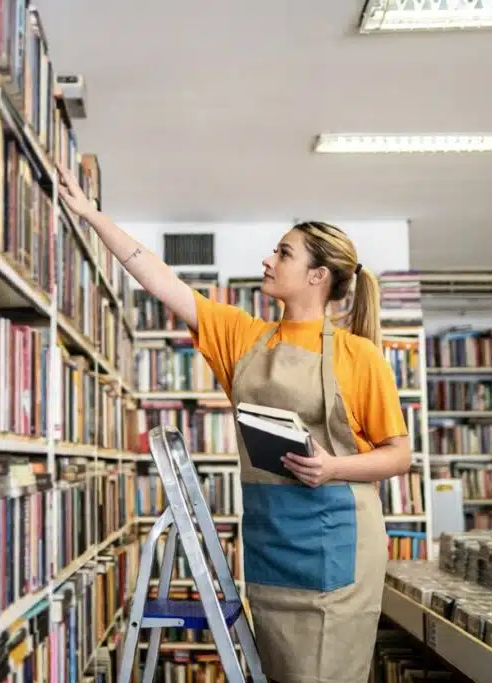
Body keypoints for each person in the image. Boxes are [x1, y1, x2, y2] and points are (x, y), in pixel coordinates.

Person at [57, 165, 411, 683]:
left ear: (318, 275)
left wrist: (333, 467)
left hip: (339, 546)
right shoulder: (243, 336)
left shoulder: (360, 357)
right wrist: (91, 217)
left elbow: (398, 455)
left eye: (284, 253)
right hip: (270, 545)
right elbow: (158, 278)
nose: (268, 259)